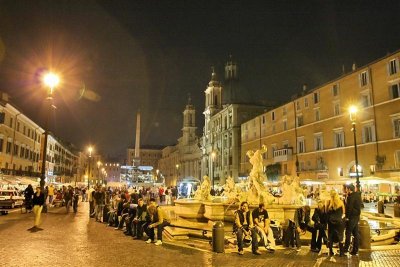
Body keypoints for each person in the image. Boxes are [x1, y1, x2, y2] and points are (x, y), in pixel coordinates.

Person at [327, 190, 346, 256]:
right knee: (340, 236)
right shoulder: (341, 202)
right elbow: (344, 212)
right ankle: (341, 252)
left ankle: (330, 251)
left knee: (330, 236)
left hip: (331, 222)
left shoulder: (329, 203)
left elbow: (327, 212)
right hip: (339, 222)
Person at [344, 184, 361, 256]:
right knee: (355, 233)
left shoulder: (351, 197)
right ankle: (355, 250)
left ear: (349, 189)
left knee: (348, 232)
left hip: (352, 217)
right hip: (356, 216)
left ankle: (345, 248)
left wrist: (347, 217)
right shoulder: (357, 195)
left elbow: (350, 207)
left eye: (346, 189)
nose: (345, 190)